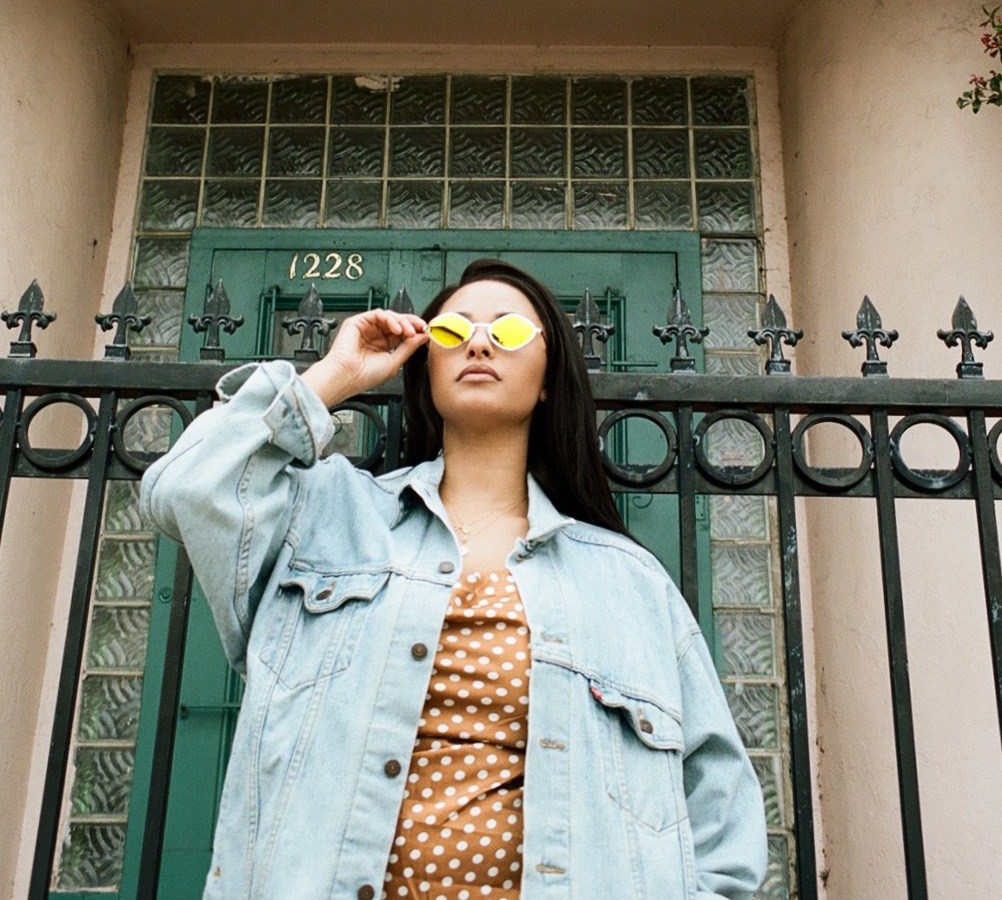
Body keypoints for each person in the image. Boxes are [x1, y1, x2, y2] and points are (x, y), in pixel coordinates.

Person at [142, 258, 766, 900]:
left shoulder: (629, 583)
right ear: (427, 367)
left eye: (510, 331)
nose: (479, 343)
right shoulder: (329, 518)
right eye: (451, 331)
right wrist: (332, 376)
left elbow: (722, 817)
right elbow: (187, 489)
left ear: (549, 378)